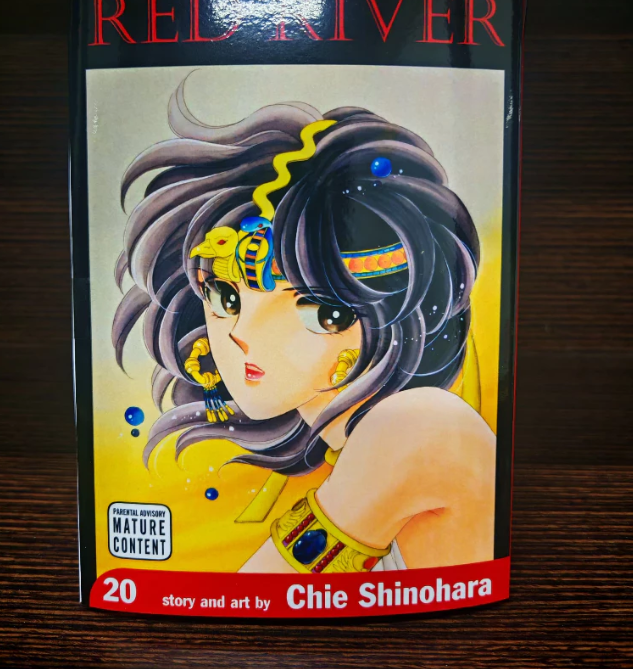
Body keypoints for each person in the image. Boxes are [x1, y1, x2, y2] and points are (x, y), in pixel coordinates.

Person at [113, 78, 495, 574]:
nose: (241, 334)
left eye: (318, 311)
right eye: (227, 297)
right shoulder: (363, 444)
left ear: (394, 319)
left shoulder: (420, 426)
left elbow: (254, 599)